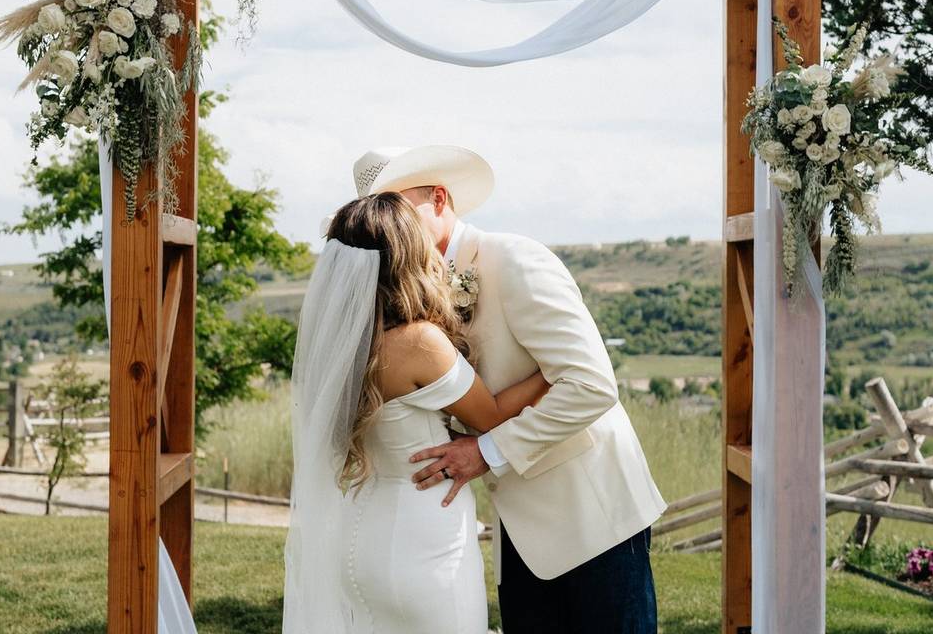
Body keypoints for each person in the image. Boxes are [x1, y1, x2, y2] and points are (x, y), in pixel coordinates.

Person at [353, 145, 668, 633]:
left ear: (439, 198)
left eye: (398, 206)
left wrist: (487, 451)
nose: (389, 223)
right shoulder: (403, 294)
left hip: (591, 519)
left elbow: (591, 384)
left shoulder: (514, 259)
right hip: (516, 531)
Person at [283, 191, 549, 634]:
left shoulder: (339, 346)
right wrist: (549, 371)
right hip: (424, 544)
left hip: (359, 540)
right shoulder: (418, 342)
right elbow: (492, 417)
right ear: (407, 254)